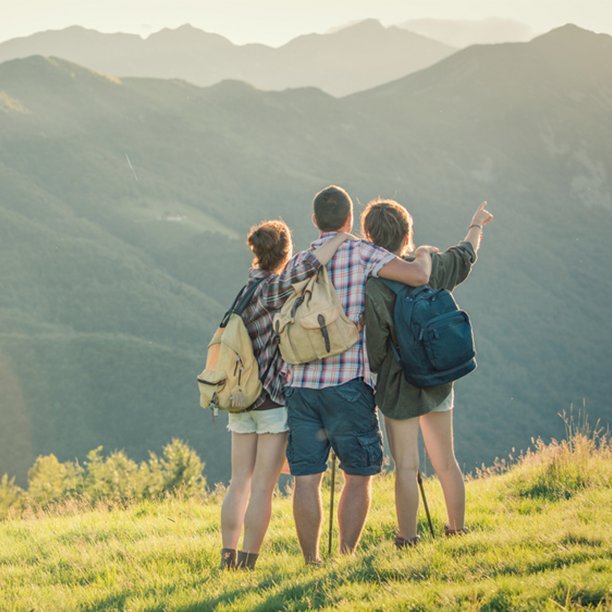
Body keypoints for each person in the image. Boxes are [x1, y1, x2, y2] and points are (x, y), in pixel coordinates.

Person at [284, 185, 438, 565]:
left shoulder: (299, 263)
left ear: (314, 221)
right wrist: (422, 253)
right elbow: (417, 277)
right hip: (348, 386)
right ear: (350, 220)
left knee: (306, 479)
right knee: (358, 475)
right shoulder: (362, 252)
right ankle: (346, 556)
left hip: (300, 386)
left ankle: (311, 561)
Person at [220, 220, 350, 570]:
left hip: (239, 399)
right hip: (271, 401)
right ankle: (247, 562)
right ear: (285, 252)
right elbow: (310, 267)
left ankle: (227, 557)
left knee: (238, 483)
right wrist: (339, 237)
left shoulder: (245, 290)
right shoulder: (272, 289)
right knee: (262, 486)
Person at [362, 198, 493, 547]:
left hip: (398, 386)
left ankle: (407, 538)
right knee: (445, 461)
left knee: (406, 466)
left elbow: (374, 348)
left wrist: (376, 375)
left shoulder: (373, 285)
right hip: (437, 378)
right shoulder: (430, 264)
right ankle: (457, 529)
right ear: (408, 233)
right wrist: (476, 223)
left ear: (369, 237)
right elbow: (466, 254)